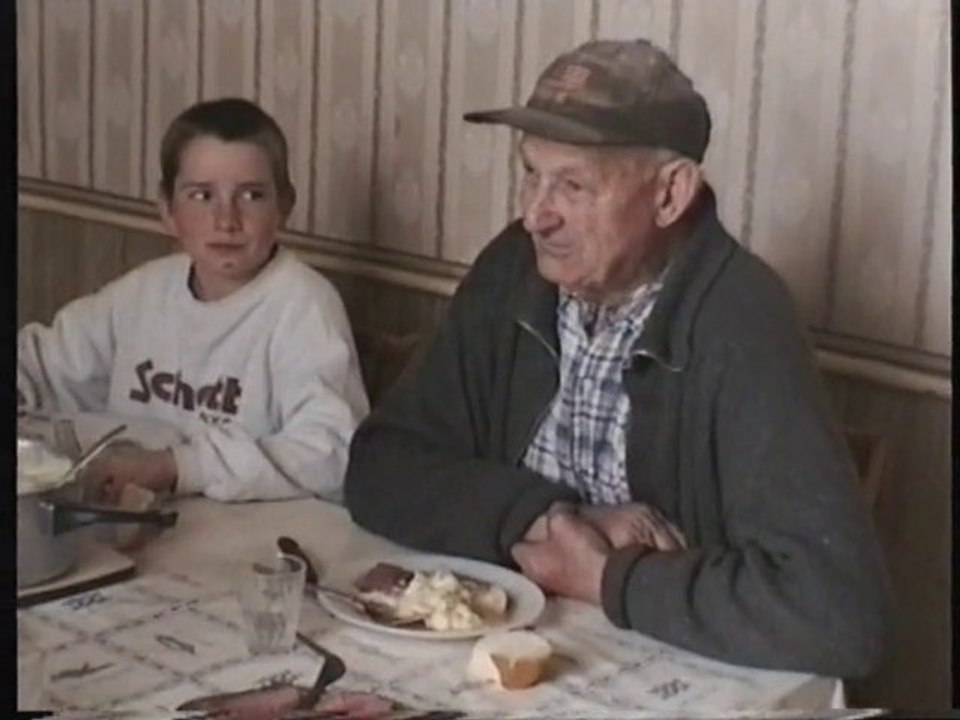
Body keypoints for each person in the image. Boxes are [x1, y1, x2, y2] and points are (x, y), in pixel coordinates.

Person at [344, 39, 892, 676]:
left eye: (573, 185)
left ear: (670, 194)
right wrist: (551, 516)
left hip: (668, 679)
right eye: (531, 174)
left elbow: (841, 616)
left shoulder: (740, 319)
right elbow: (381, 466)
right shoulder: (513, 271)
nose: (534, 215)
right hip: (504, 665)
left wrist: (610, 578)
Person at [17, 97, 369, 503]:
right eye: (202, 196)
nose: (227, 220)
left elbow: (332, 453)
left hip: (251, 536)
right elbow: (41, 365)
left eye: (251, 195)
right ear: (167, 211)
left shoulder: (304, 307)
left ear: (284, 207)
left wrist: (176, 466)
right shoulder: (143, 294)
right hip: (132, 523)